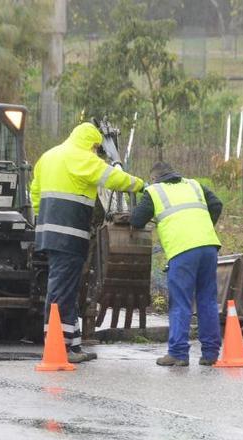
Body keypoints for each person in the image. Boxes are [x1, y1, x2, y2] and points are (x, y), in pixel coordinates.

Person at [31, 123, 145, 363]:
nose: (96, 152)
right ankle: (58, 349)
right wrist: (141, 185)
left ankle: (72, 346)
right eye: (96, 148)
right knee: (61, 292)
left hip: (48, 235)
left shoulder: (48, 157)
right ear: (92, 144)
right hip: (69, 235)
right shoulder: (82, 158)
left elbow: (35, 193)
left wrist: (43, 221)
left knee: (67, 290)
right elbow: (114, 179)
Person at [130, 162, 223, 366]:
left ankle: (178, 354)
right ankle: (210, 353)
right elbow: (216, 204)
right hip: (208, 246)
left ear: (154, 178)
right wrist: (204, 226)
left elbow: (136, 220)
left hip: (182, 251)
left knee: (180, 302)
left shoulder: (154, 191)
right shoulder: (194, 185)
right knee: (207, 299)